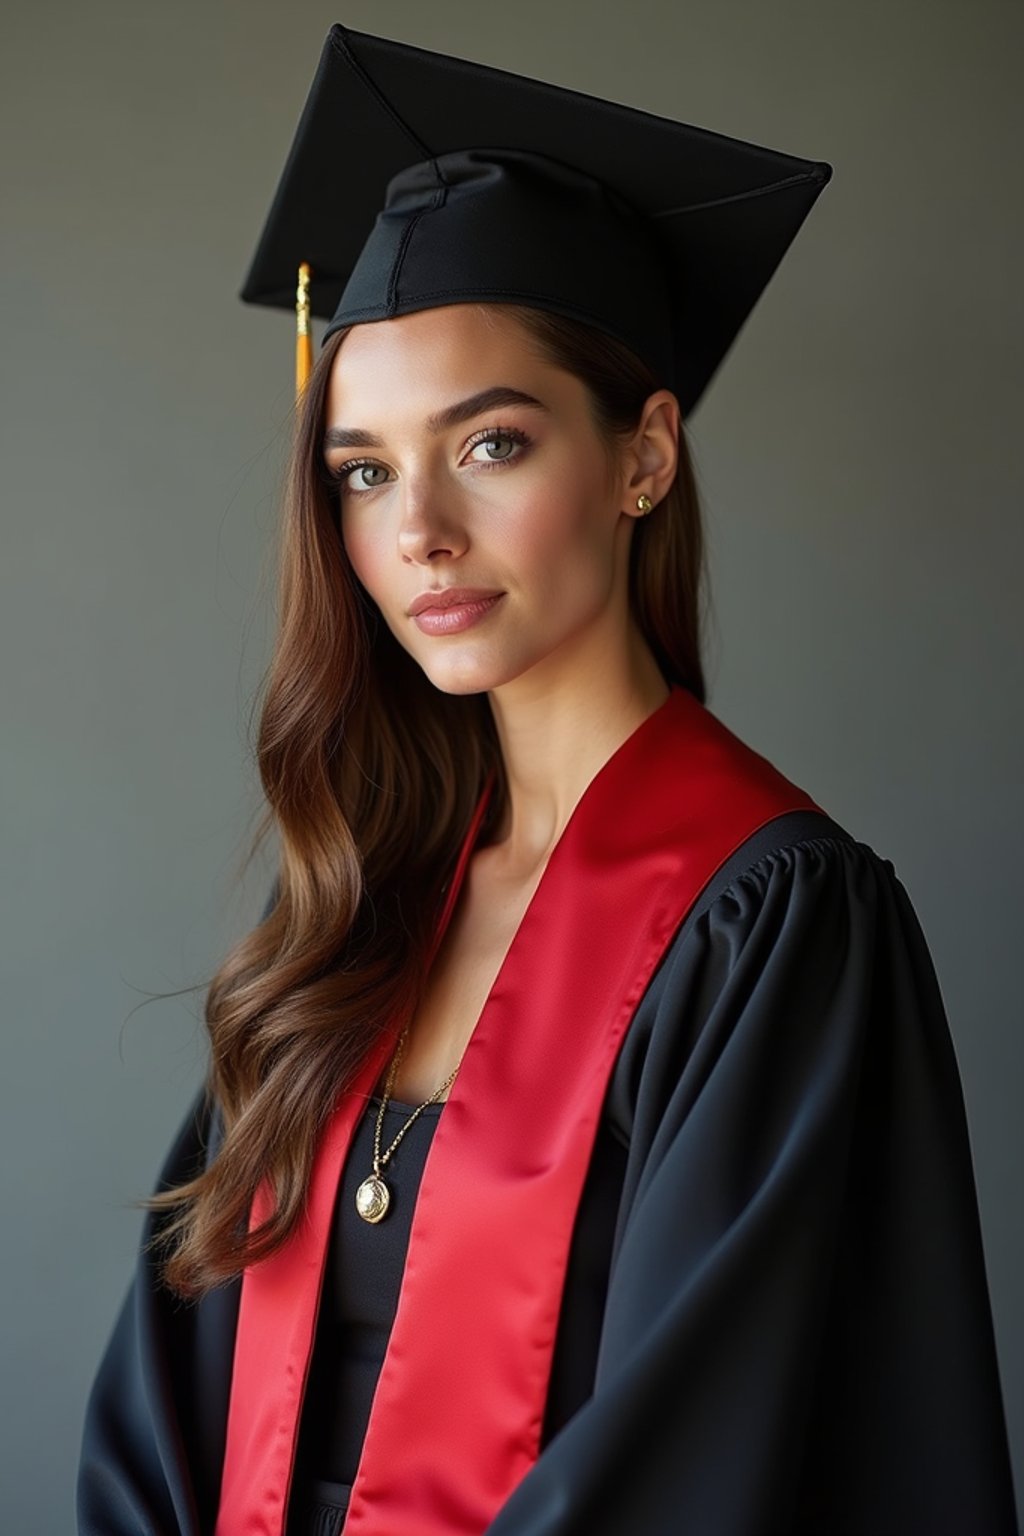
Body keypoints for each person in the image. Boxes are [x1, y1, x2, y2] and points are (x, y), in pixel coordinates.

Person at [77, 22, 1019, 1536]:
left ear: (644, 458)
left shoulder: (768, 929)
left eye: (493, 443)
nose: (418, 534)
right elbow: (157, 1412)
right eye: (364, 470)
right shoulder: (359, 903)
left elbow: (701, 1469)